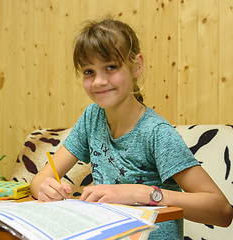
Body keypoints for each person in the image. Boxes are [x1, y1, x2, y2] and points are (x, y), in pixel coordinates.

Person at [30, 16, 232, 239]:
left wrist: (142, 193)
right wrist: (45, 189)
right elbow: (40, 180)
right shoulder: (91, 118)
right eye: (89, 71)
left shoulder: (156, 133)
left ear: (136, 66)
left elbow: (221, 211)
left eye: (110, 67)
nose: (98, 81)